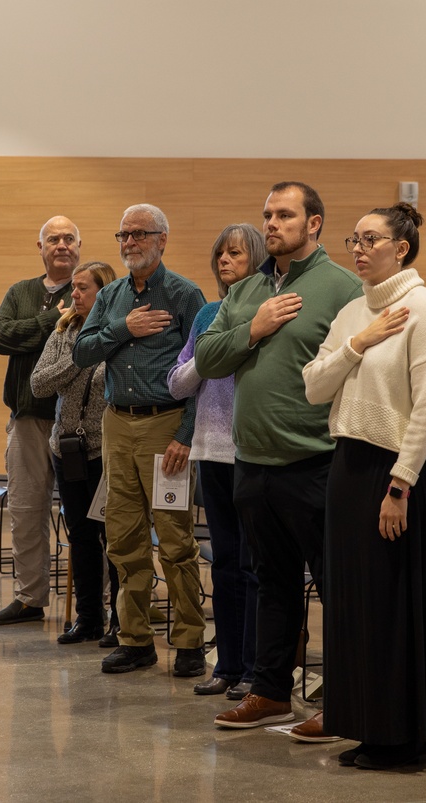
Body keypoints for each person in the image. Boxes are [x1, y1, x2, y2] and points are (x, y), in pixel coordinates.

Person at [196, 182, 362, 729]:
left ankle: (344, 698)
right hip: (253, 463)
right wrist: (255, 327)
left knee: (335, 588)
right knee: (272, 583)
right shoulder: (246, 291)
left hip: (316, 462)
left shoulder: (342, 287)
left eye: (284, 214)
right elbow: (209, 358)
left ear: (313, 223)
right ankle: (270, 692)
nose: (271, 223)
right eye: (267, 214)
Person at [304, 203, 426, 770]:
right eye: (355, 240)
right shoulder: (352, 313)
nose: (360, 249)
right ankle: (367, 726)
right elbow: (315, 388)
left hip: (398, 473)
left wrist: (401, 486)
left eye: (372, 240)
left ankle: (405, 738)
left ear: (403, 248)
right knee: (352, 604)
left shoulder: (423, 308)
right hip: (349, 467)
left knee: (392, 605)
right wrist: (359, 342)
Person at [74, 203, 208, 677]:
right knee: (123, 536)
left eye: (139, 234)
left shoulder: (185, 295)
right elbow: (81, 350)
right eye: (123, 235)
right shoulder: (109, 296)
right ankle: (135, 640)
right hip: (116, 425)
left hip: (164, 427)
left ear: (162, 240)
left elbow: (204, 371)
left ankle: (190, 640)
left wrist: (186, 435)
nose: (129, 242)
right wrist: (122, 328)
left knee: (174, 539)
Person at [168, 223, 264, 698]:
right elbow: (178, 381)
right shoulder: (208, 312)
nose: (225, 262)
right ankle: (225, 664)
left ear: (258, 259)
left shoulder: (266, 311)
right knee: (223, 564)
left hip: (250, 451)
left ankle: (252, 669)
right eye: (220, 254)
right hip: (209, 449)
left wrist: (206, 362)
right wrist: (205, 361)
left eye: (236, 254)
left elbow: (223, 366)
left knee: (251, 565)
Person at [0, 216, 79, 626]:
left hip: (78, 425)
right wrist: (50, 322)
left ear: (79, 246)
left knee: (86, 516)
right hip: (26, 421)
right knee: (26, 511)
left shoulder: (93, 288)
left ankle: (104, 604)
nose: (61, 244)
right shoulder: (20, 292)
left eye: (69, 239)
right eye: (53, 239)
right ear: (39, 247)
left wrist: (35, 332)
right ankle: (30, 598)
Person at [31, 261, 122, 645]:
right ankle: (88, 619)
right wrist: (80, 358)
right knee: (81, 537)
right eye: (74, 289)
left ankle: (123, 621)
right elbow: (38, 384)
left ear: (105, 293)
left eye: (83, 288)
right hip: (66, 450)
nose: (74, 296)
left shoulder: (119, 335)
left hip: (106, 452)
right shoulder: (64, 332)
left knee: (116, 540)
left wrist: (78, 365)